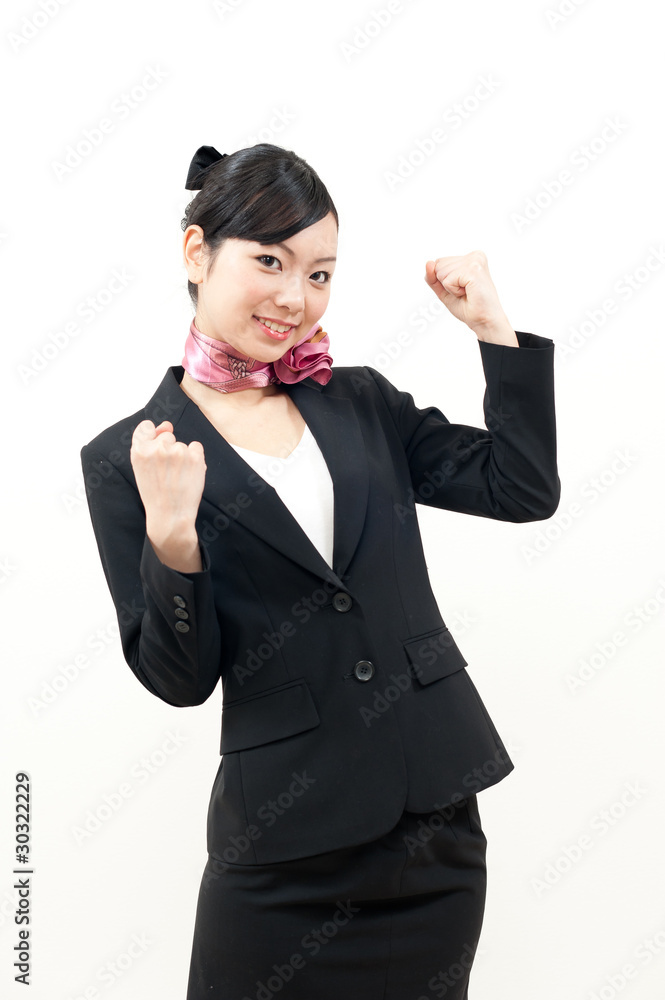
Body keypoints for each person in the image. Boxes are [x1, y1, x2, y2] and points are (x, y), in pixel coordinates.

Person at [80, 143, 560, 1000]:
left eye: (320, 273)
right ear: (196, 253)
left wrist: (494, 331)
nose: (294, 297)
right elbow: (178, 681)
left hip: (430, 824)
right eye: (269, 260)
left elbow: (518, 488)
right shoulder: (129, 458)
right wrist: (173, 538)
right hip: (280, 845)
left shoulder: (363, 401)